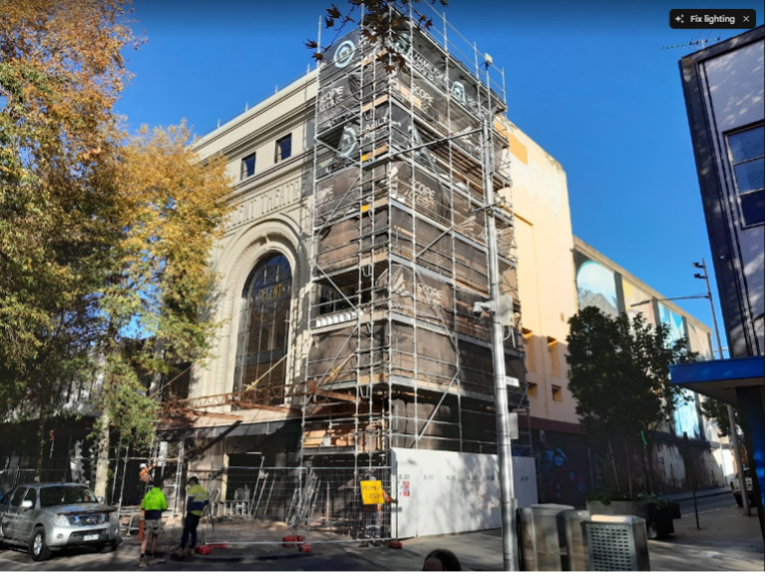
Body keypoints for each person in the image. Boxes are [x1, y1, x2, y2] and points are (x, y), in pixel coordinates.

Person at [175, 476, 209, 557]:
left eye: (190, 482)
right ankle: (192, 548)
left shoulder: (193, 488)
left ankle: (182, 548)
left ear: (193, 481)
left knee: (186, 530)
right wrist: (200, 508)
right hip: (198, 513)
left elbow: (190, 499)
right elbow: (206, 502)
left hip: (192, 511)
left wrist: (188, 509)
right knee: (193, 530)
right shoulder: (203, 489)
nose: (189, 484)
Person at [360, 471, 397, 547]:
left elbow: (387, 498)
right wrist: (394, 501)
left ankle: (370, 541)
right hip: (373, 510)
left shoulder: (375, 490)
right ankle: (374, 540)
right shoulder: (377, 489)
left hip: (374, 510)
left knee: (372, 525)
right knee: (373, 525)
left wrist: (393, 501)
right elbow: (387, 498)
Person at [139, 474, 167, 568]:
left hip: (148, 517)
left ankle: (142, 559)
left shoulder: (148, 494)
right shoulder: (161, 494)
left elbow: (143, 507)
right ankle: (151, 558)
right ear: (160, 485)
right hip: (156, 517)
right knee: (154, 538)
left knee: (145, 538)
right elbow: (164, 507)